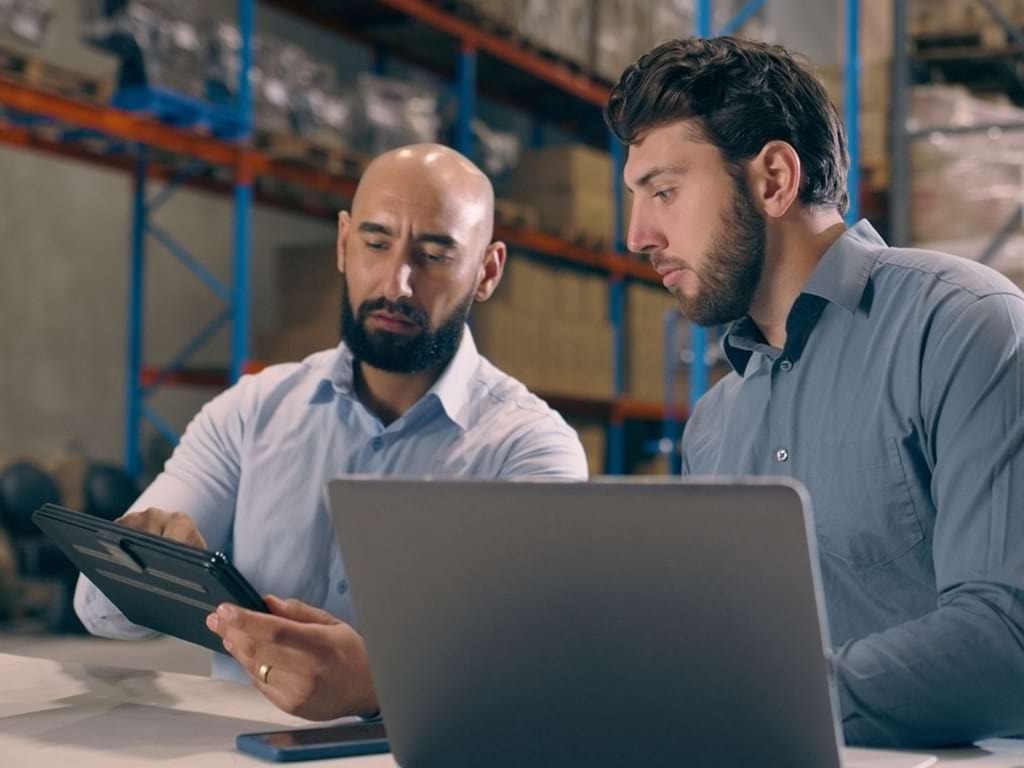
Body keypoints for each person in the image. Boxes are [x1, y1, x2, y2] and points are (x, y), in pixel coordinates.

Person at [606, 36, 1024, 747]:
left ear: (773, 178)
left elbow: (1006, 641)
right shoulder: (713, 425)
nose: (638, 235)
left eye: (665, 192)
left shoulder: (962, 327)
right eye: (635, 199)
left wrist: (761, 700)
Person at [75, 143, 588, 720]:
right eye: (376, 243)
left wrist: (378, 691)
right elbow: (100, 609)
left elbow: (542, 668)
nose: (397, 283)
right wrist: (138, 556)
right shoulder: (250, 414)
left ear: (488, 271)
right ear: (343, 243)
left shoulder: (530, 451)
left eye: (434, 256)